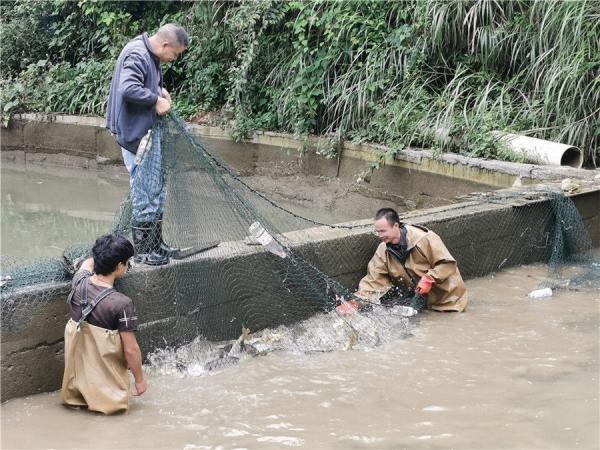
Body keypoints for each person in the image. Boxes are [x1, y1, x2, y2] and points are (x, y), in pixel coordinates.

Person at [106, 24, 189, 265]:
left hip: (145, 131)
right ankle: (143, 251)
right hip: (136, 134)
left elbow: (139, 83)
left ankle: (156, 244)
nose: (175, 58)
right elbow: (128, 87)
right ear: (165, 44)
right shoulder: (138, 54)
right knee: (144, 189)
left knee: (155, 188)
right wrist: (155, 100)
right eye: (175, 53)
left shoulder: (148, 53)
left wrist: (157, 89)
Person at [61, 234, 147, 414]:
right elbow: (131, 349)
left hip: (75, 389)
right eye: (126, 262)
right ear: (119, 266)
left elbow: (86, 264)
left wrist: (103, 255)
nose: (127, 265)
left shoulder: (79, 283)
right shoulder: (122, 303)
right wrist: (139, 381)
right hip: (106, 395)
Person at [337, 208, 468, 316]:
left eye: (383, 231)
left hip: (449, 301)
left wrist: (430, 278)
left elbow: (448, 264)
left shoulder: (425, 239)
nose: (380, 236)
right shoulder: (383, 250)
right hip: (422, 304)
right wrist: (355, 302)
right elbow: (374, 281)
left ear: (396, 226)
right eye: (377, 232)